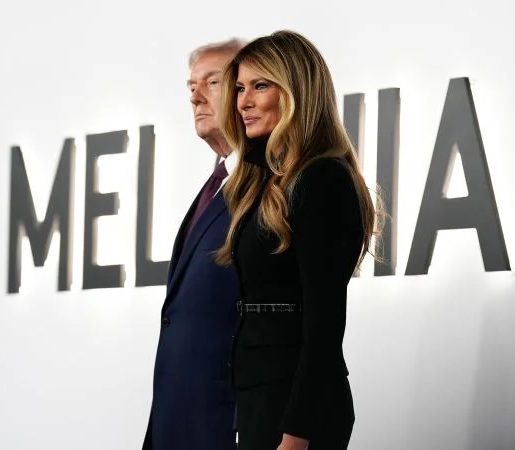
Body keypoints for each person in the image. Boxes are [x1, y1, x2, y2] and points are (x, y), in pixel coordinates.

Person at [214, 30, 384, 450]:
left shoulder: (322, 179)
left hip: (298, 409)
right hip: (261, 397)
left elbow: (324, 324)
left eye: (260, 86)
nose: (243, 102)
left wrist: (296, 436)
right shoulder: (260, 183)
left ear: (296, 93)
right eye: (239, 89)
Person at [143, 38, 244, 450]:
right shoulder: (215, 184)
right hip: (176, 421)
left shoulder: (268, 188)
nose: (195, 97)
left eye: (212, 82)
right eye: (191, 86)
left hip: (227, 425)